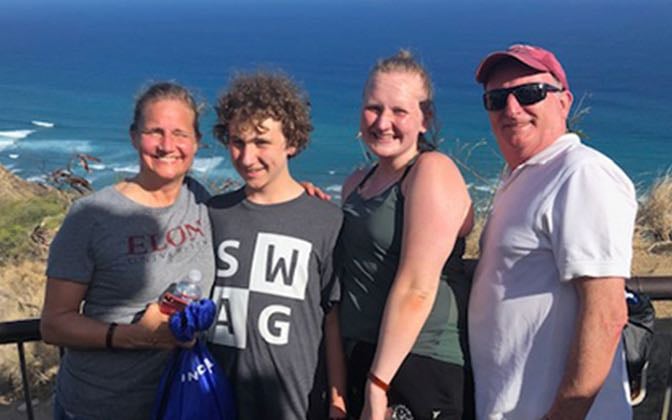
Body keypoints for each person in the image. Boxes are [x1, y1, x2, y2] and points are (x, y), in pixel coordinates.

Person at [469, 44, 637, 419]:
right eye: (497, 99)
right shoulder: (525, 178)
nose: (511, 109)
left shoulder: (581, 174)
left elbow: (607, 312)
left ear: (564, 102)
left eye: (530, 94)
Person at [40, 82, 215, 419]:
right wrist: (135, 337)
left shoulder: (200, 199)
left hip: (180, 400)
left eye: (180, 133)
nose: (167, 146)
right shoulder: (92, 216)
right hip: (102, 406)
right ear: (135, 137)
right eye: (155, 132)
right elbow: (54, 325)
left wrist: (301, 195)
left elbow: (257, 206)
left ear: (196, 142)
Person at [336, 50, 474, 420]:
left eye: (399, 111)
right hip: (363, 353)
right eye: (373, 108)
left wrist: (378, 384)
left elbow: (417, 287)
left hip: (418, 360)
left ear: (424, 119)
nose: (383, 122)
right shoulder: (356, 183)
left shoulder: (431, 172)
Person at [207, 72, 347, 419]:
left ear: (292, 141)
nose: (247, 156)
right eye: (237, 141)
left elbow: (332, 319)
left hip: (294, 405)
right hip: (218, 400)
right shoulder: (211, 214)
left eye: (261, 142)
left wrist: (338, 400)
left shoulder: (327, 221)